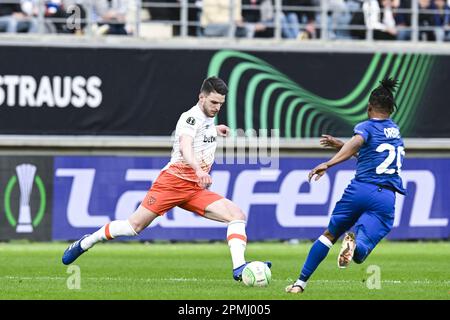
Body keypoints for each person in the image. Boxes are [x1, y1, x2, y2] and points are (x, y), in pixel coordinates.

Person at [62, 76, 271, 281]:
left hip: (194, 189)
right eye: (214, 102)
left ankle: (239, 268)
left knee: (237, 215)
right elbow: (185, 145)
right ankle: (86, 242)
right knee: (133, 226)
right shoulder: (190, 117)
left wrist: (215, 130)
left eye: (221, 104)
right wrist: (198, 169)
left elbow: (201, 132)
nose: (217, 107)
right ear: (201, 97)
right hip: (172, 183)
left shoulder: (207, 119)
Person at [286, 77, 406, 293]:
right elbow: (369, 154)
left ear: (369, 107)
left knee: (329, 235)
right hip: (384, 197)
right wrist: (342, 145)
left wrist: (328, 163)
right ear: (391, 110)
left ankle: (299, 284)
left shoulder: (366, 126)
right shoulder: (395, 132)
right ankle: (355, 245)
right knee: (362, 252)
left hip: (359, 190)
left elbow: (359, 141)